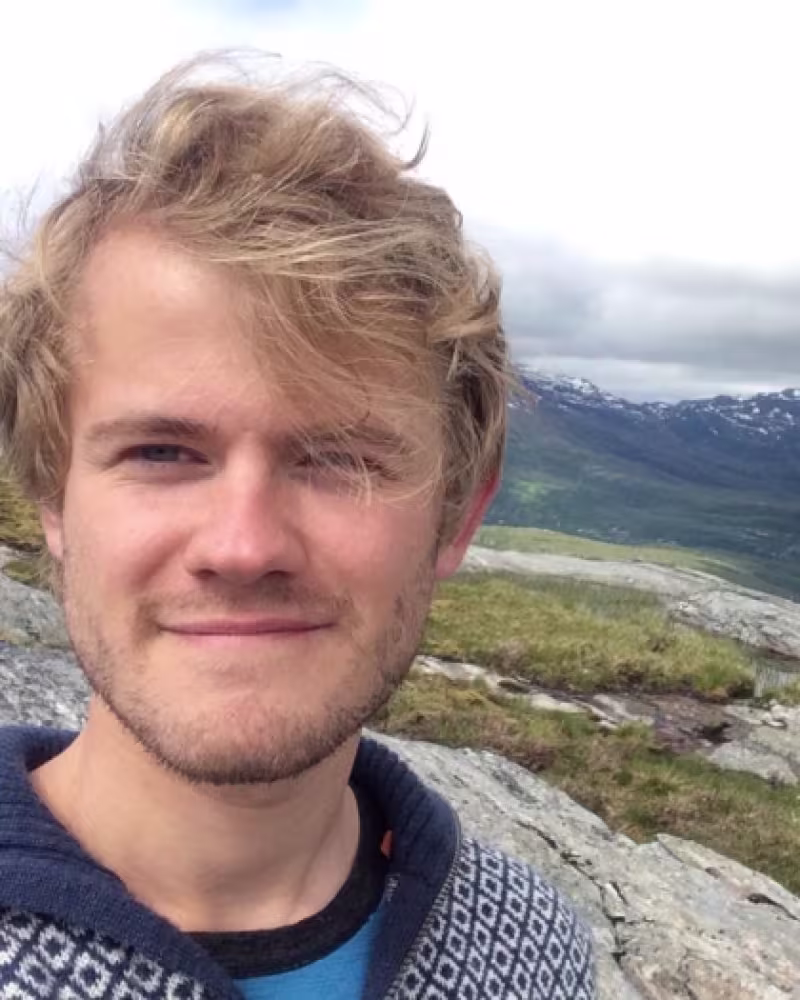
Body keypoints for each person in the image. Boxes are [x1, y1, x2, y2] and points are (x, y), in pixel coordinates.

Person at [0, 56, 595, 999]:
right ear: (52, 498)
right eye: (161, 452)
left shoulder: (531, 952)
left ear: (457, 518)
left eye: (341, 460)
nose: (242, 546)